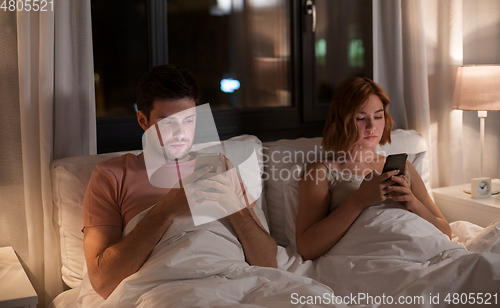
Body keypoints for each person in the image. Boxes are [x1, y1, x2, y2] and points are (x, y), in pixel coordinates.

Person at [82, 64, 277, 299]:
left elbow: (268, 262)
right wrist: (168, 208)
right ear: (143, 121)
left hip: (234, 283)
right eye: (167, 122)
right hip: (167, 290)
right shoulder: (112, 176)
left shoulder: (219, 165)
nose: (180, 133)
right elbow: (103, 282)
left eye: (188, 120)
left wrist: (234, 206)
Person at [296, 77, 451, 261]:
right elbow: (306, 248)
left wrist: (413, 203)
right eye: (360, 118)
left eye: (378, 116)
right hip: (376, 257)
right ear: (341, 121)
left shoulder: (404, 167)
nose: (371, 126)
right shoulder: (322, 172)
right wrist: (359, 200)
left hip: (425, 249)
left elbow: (446, 231)